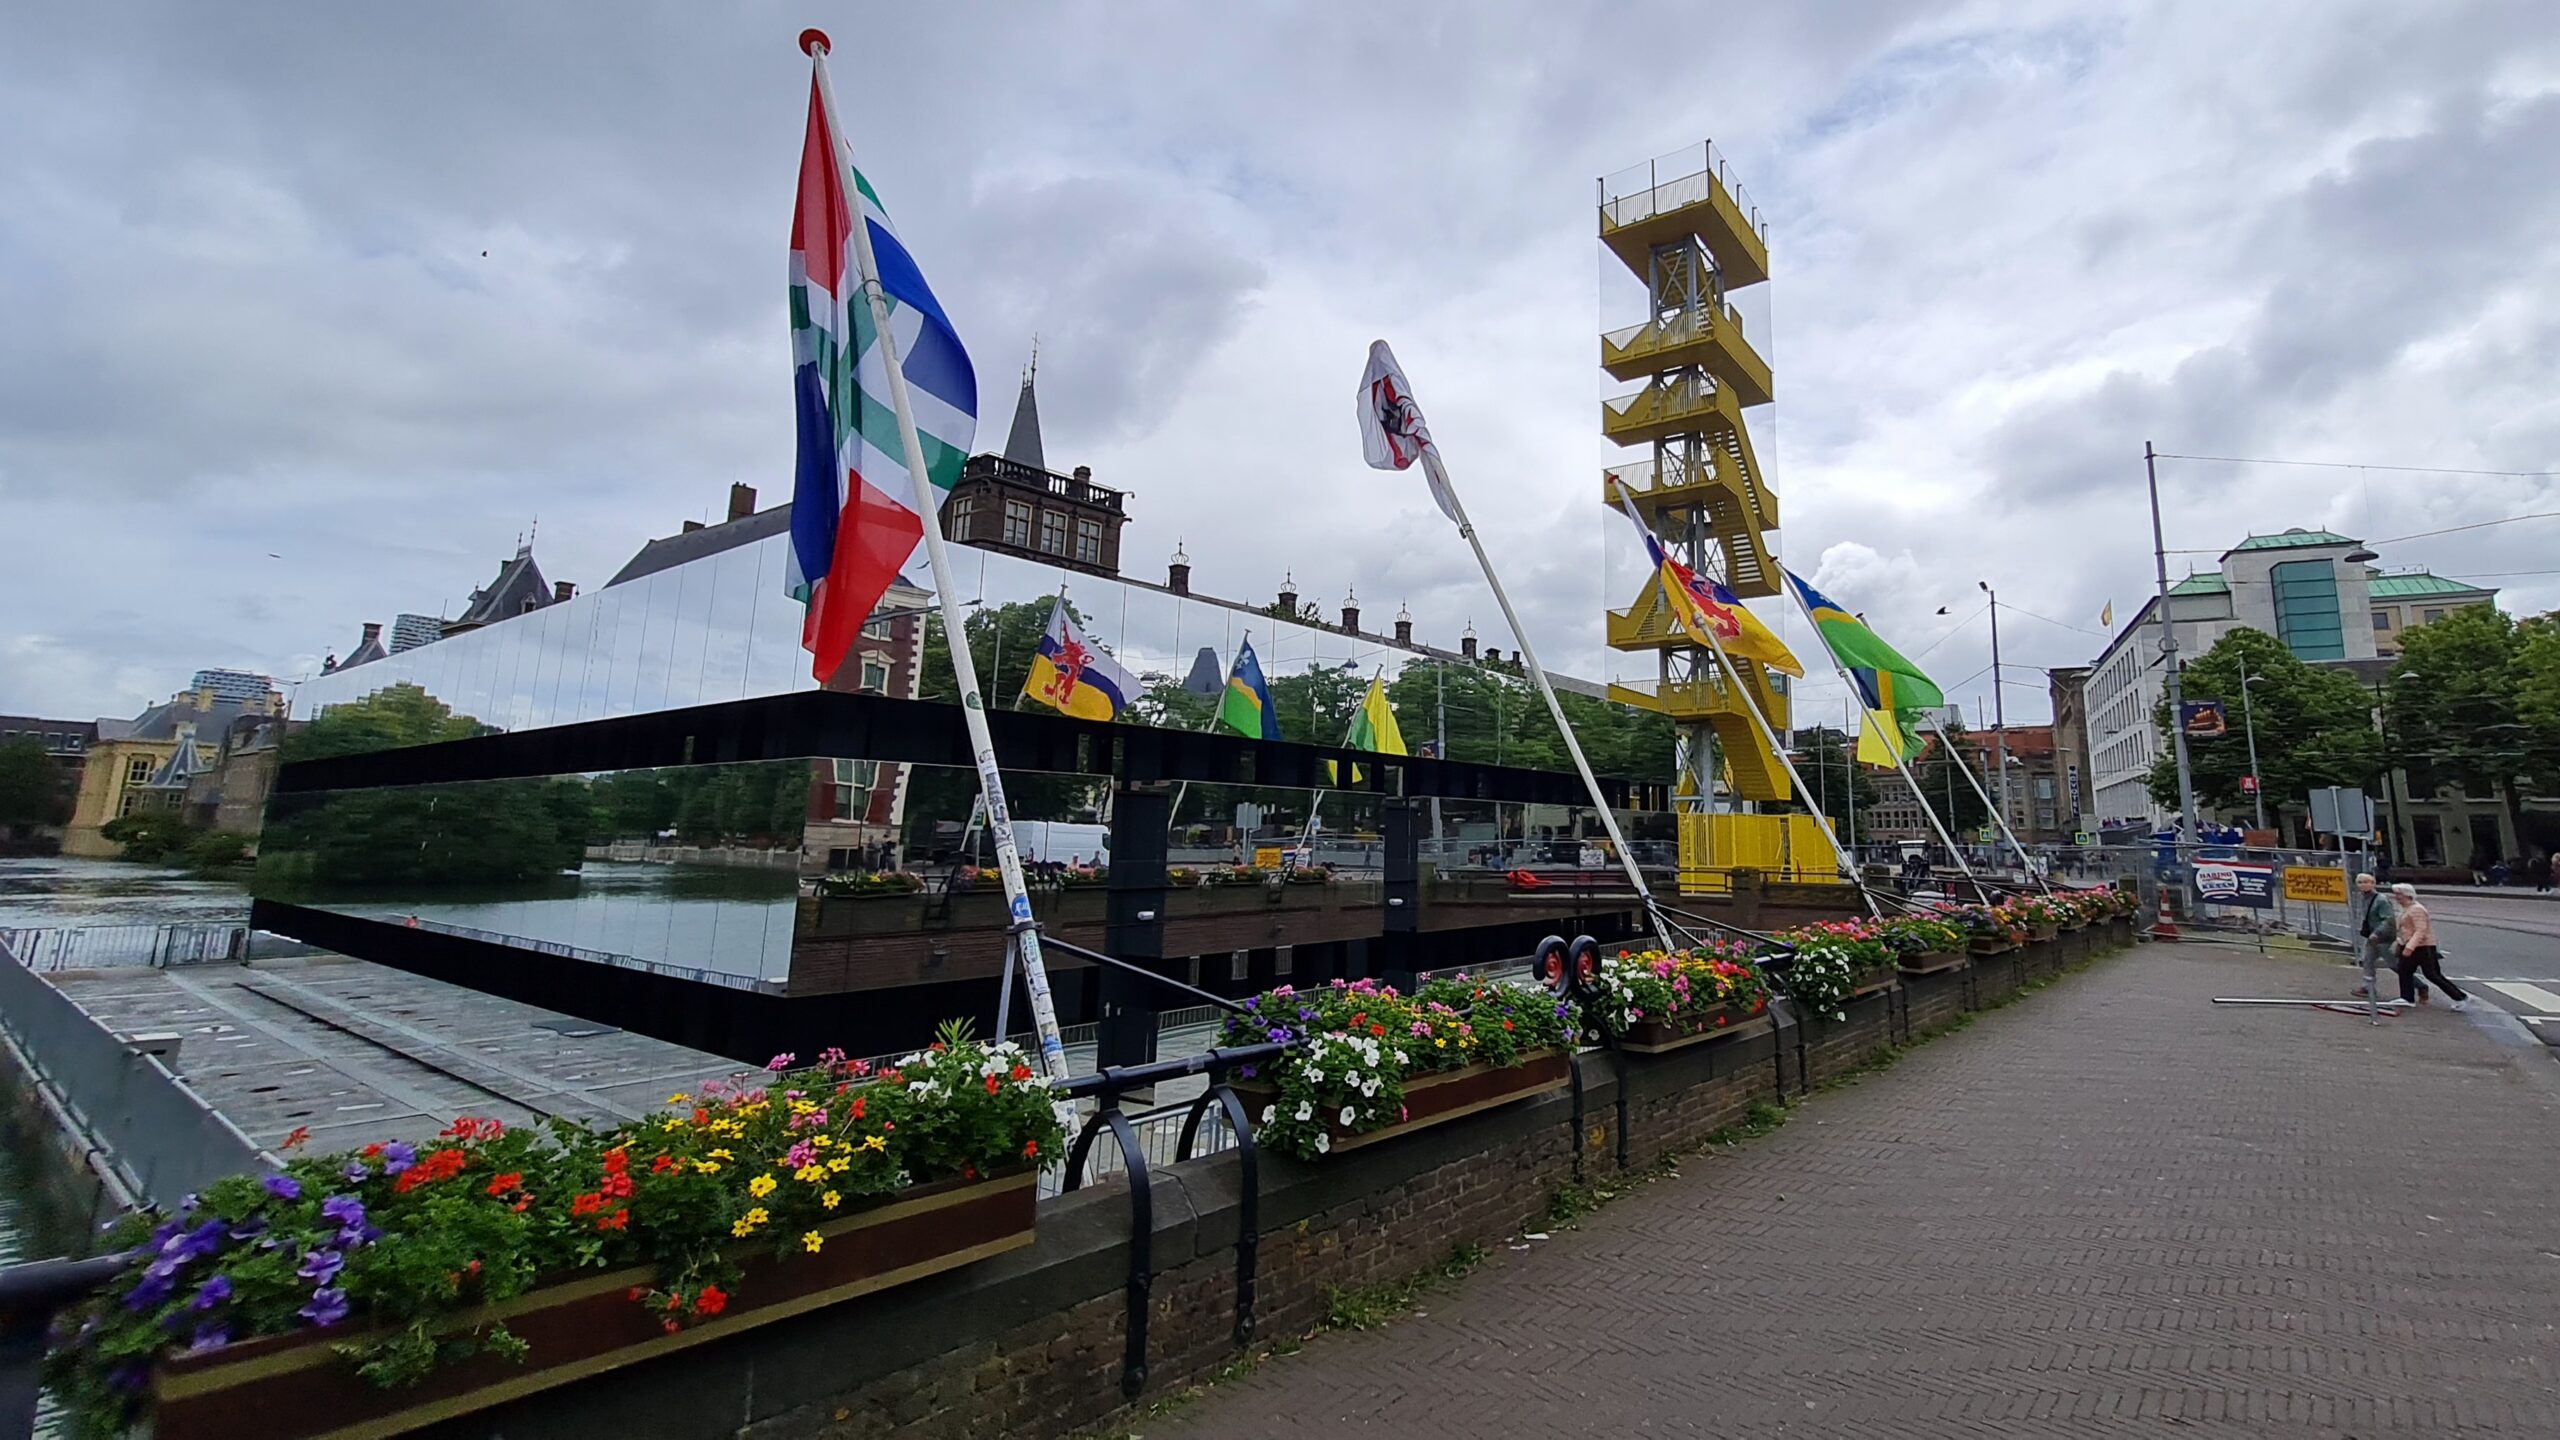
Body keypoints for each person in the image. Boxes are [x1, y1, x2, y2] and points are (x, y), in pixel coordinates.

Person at [2390, 883, 2466, 1010]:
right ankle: (2407, 998)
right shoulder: (2406, 908)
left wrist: (2409, 947)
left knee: (2432, 974)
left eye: (2399, 894)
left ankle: (2460, 997)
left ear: (2408, 895)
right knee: (2404, 970)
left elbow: (2421, 930)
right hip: (2412, 944)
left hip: (2422, 946)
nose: (2396, 897)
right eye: (2396, 894)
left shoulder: (2416, 909)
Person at [2351, 873, 2396, 1001]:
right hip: (2372, 937)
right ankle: (2368, 987)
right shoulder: (2364, 898)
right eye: (2360, 882)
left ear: (2373, 883)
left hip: (2383, 937)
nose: (2363, 885)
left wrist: (2377, 932)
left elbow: (2388, 920)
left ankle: (2419, 986)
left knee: (2394, 965)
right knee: (2367, 960)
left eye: (2366, 882)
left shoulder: (2381, 900)